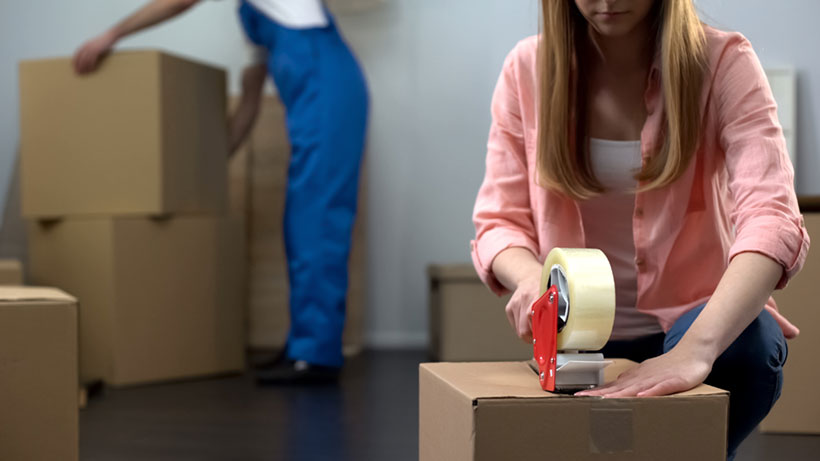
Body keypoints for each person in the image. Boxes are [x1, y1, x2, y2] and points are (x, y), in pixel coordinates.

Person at [471, 0, 809, 458]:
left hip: (694, 320)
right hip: (578, 333)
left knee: (747, 348)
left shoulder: (725, 62)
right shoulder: (526, 69)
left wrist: (695, 351)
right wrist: (531, 278)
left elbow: (772, 217)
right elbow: (499, 221)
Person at [74, 0, 369, 385]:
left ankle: (316, 353)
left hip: (332, 96)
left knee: (316, 220)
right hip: (317, 102)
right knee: (301, 223)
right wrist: (205, 170)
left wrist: (112, 34)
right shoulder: (255, 19)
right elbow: (248, 104)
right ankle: (304, 343)